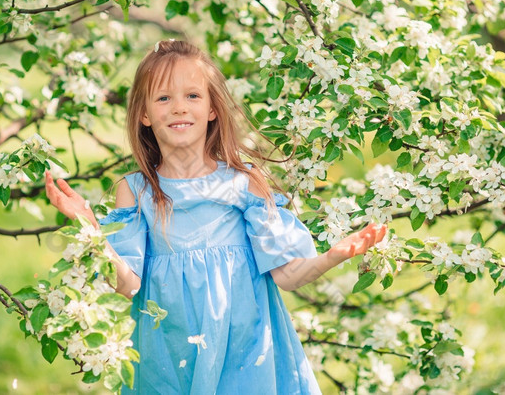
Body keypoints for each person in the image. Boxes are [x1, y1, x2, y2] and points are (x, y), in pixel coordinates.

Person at [45, 39, 387, 394]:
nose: (179, 108)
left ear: (211, 109)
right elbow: (127, 284)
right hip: (168, 354)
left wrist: (331, 257)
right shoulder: (137, 191)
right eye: (164, 98)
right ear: (144, 114)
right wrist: (90, 226)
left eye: (192, 96)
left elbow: (288, 275)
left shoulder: (244, 182)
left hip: (244, 355)